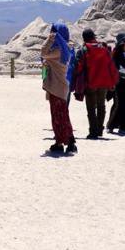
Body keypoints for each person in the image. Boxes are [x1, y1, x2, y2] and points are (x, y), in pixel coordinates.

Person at [41, 23, 77, 153]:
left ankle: (65, 142)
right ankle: (65, 141)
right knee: (61, 115)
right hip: (60, 86)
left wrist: (49, 39)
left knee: (59, 116)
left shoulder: (58, 51)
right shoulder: (65, 49)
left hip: (57, 87)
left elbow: (43, 52)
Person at [77, 29, 117, 139]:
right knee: (101, 106)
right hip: (103, 82)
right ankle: (100, 129)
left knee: (91, 108)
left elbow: (79, 66)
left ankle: (93, 131)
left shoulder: (83, 49)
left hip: (91, 82)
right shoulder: (103, 48)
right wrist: (112, 81)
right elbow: (110, 65)